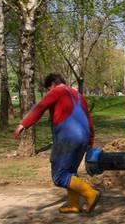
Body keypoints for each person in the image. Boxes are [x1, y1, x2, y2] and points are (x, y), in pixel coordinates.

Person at [13, 73, 100, 214]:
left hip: (68, 136)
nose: (49, 92)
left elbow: (40, 107)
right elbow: (89, 120)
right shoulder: (78, 95)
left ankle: (90, 193)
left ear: (52, 85)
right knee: (71, 171)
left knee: (59, 176)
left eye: (48, 89)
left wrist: (23, 124)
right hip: (84, 136)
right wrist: (89, 142)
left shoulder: (57, 91)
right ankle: (74, 204)